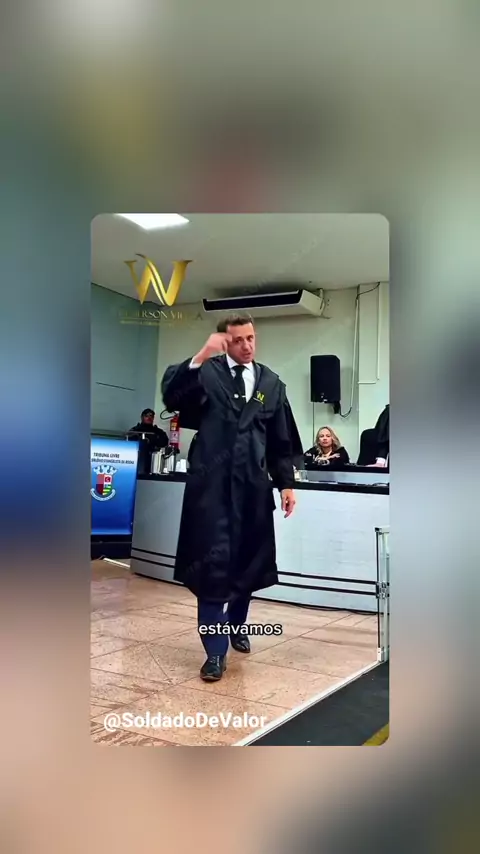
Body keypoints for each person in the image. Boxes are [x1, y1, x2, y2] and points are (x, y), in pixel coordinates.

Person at [161, 313, 303, 682]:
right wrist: (199, 357)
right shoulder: (205, 374)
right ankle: (214, 651)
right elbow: (172, 397)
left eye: (251, 338)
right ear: (225, 341)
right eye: (238, 340)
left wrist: (286, 484)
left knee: (247, 566)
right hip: (210, 490)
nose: (246, 345)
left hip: (252, 490)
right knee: (211, 571)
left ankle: (237, 626)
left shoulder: (271, 383)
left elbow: (281, 440)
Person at [126, 409, 169, 475]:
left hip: (154, 462)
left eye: (151, 416)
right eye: (146, 416)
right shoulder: (135, 431)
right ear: (142, 417)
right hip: (137, 460)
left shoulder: (158, 432)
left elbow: (164, 442)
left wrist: (153, 441)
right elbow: (128, 444)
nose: (149, 418)